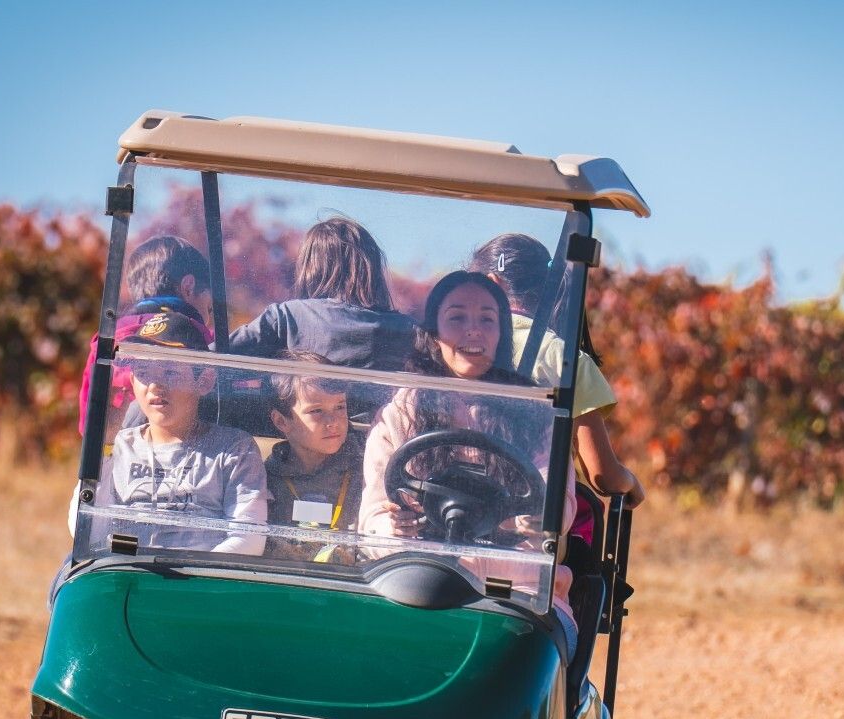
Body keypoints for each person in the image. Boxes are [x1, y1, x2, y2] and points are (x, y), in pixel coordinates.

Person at [359, 271, 578, 655]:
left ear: (502, 333)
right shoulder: (403, 409)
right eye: (457, 318)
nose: (472, 331)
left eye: (486, 320)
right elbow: (374, 509)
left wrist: (535, 514)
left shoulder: (535, 413)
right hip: (421, 581)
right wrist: (391, 527)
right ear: (434, 332)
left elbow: (557, 501)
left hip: (516, 591)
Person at [468, 233, 645, 509]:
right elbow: (603, 477)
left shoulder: (453, 348)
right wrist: (632, 482)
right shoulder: (566, 358)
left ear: (491, 286)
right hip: (531, 523)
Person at [72, 311, 267, 557]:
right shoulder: (118, 447)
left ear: (205, 381)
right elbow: (84, 529)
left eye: (171, 371)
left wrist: (191, 577)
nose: (154, 385)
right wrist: (105, 448)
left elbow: (249, 538)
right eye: (143, 371)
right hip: (129, 576)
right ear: (132, 380)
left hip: (200, 586)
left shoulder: (234, 450)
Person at [228, 216, 418, 372]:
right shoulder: (410, 331)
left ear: (311, 268)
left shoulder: (287, 318)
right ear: (370, 269)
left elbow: (213, 359)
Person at [78, 235, 213, 436]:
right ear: (188, 287)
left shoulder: (107, 340)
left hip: (118, 456)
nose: (209, 320)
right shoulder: (196, 335)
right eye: (209, 309)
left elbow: (89, 426)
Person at [262, 358, 365, 561]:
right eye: (317, 411)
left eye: (340, 407)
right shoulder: (266, 479)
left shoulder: (365, 471)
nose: (333, 421)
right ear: (281, 421)